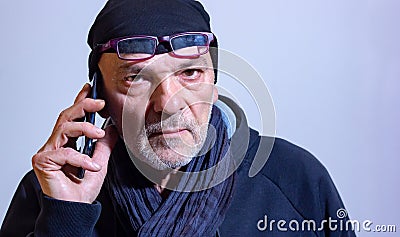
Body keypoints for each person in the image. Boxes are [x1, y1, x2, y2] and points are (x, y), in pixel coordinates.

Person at [0, 0, 356, 236]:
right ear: (98, 98)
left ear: (214, 83)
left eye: (190, 74)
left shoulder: (292, 178)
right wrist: (65, 219)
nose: (168, 104)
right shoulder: (51, 193)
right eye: (135, 77)